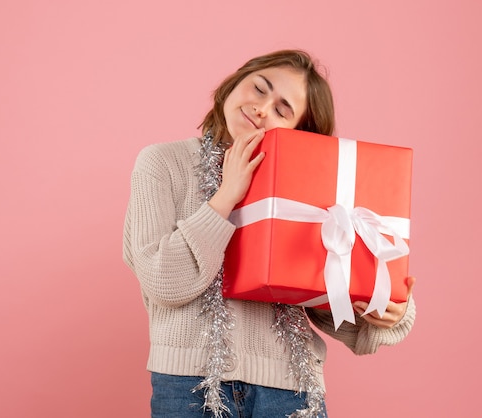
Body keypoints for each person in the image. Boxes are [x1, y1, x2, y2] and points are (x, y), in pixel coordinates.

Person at [123, 49, 416, 418]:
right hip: (190, 387)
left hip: (291, 391)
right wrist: (227, 196)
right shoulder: (162, 164)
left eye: (282, 110)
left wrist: (385, 306)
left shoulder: (303, 186)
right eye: (259, 88)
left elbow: (324, 296)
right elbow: (164, 281)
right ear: (234, 82)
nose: (262, 108)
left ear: (300, 133)